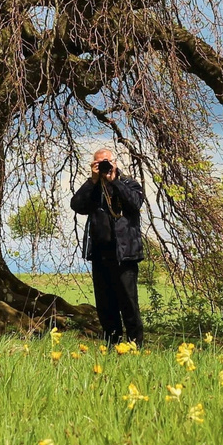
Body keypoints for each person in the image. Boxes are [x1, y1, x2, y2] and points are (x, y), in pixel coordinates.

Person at [69, 147, 145, 345]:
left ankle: (135, 346)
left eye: (106, 162)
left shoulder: (129, 183)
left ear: (115, 162)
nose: (103, 166)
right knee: (105, 306)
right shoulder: (93, 189)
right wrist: (92, 180)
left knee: (128, 303)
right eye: (98, 163)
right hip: (100, 256)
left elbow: (135, 203)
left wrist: (115, 181)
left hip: (125, 255)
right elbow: (76, 205)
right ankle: (113, 347)